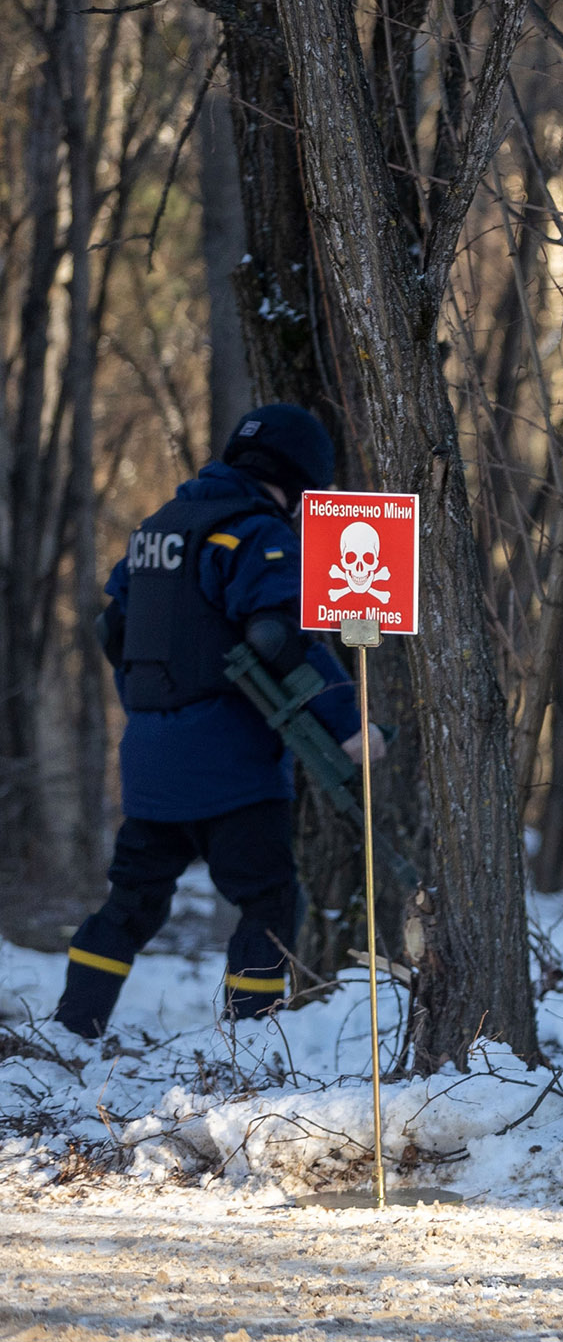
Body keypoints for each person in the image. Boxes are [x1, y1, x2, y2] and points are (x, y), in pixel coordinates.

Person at [54, 404, 373, 1041]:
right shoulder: (256, 533)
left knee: (132, 901)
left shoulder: (159, 527)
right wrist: (348, 722)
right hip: (232, 766)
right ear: (301, 476)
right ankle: (247, 1044)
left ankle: (70, 1030)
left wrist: (157, 706)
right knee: (271, 902)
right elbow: (280, 637)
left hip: (149, 760)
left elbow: (111, 628)